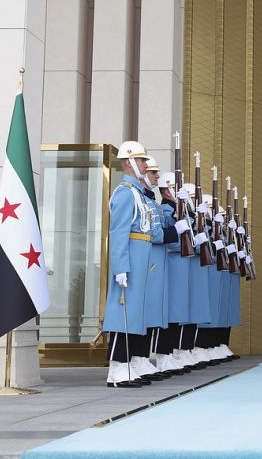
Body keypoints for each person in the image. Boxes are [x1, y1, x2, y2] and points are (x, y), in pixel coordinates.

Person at [102, 141, 153, 388]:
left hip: (140, 260)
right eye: (141, 160)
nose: (145, 164)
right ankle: (117, 368)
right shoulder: (124, 193)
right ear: (129, 161)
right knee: (121, 314)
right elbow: (119, 232)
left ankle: (128, 365)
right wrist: (121, 266)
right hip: (130, 260)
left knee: (133, 315)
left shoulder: (137, 193)